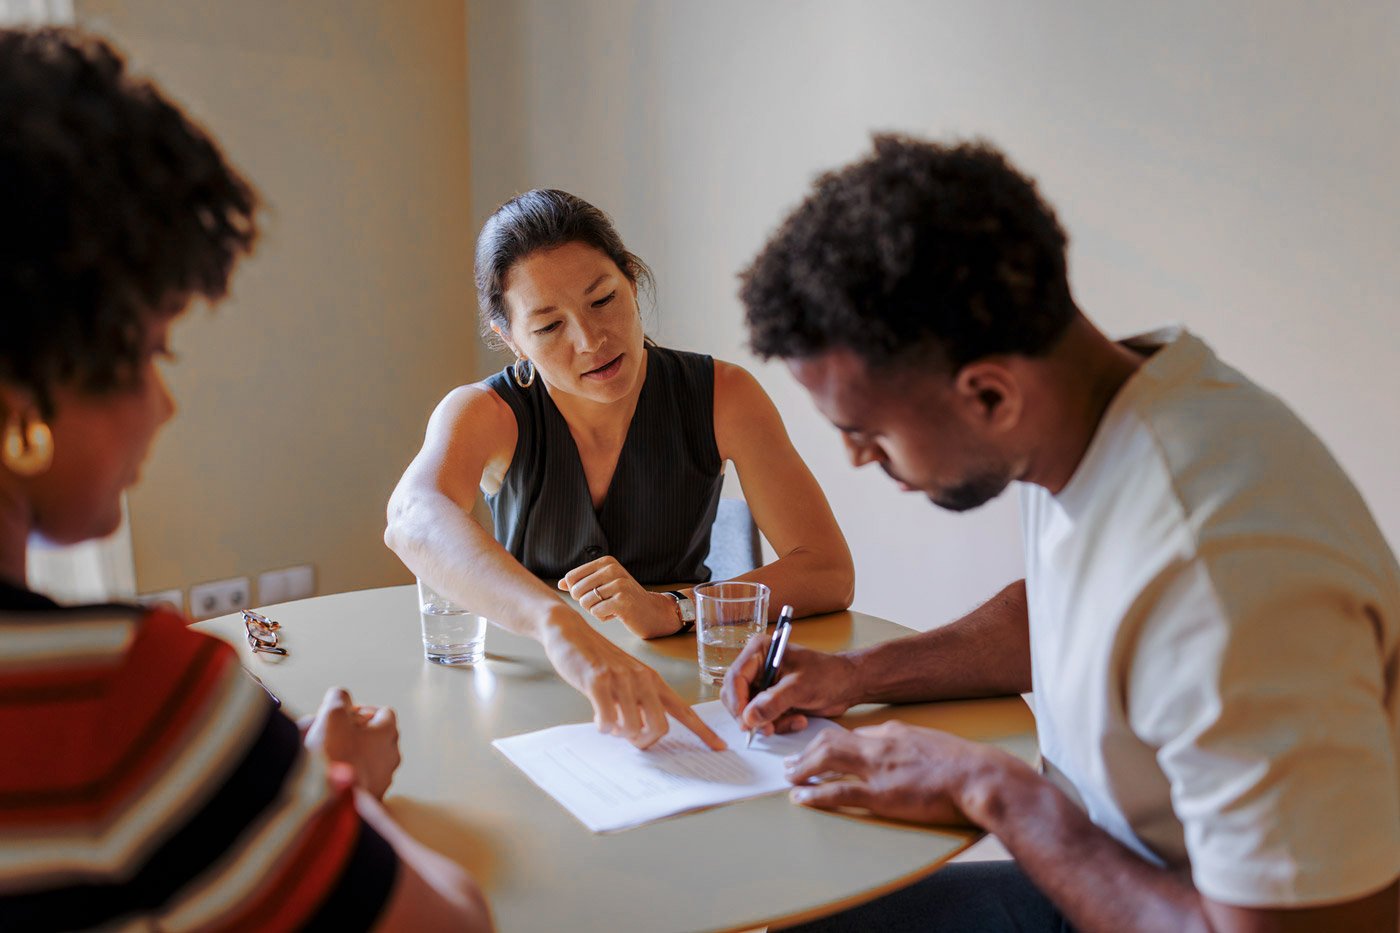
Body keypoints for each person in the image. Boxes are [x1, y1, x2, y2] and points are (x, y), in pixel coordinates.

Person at [725, 135, 1399, 931]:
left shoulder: (1219, 575)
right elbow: (1064, 615)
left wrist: (993, 790)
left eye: (867, 429)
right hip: (1119, 878)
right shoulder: (1100, 409)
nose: (857, 456)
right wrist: (856, 672)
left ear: (989, 395)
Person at [0, 28, 490, 931]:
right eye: (150, 352)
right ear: (27, 386)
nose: (164, 405)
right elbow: (453, 921)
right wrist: (338, 791)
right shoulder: (116, 696)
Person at [386, 189, 854, 750]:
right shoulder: (484, 413)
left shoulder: (724, 395)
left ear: (631, 280)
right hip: (541, 690)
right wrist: (556, 627)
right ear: (510, 339)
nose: (590, 341)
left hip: (694, 687)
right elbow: (412, 517)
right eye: (548, 327)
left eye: (602, 299)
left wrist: (672, 610)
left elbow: (827, 570)